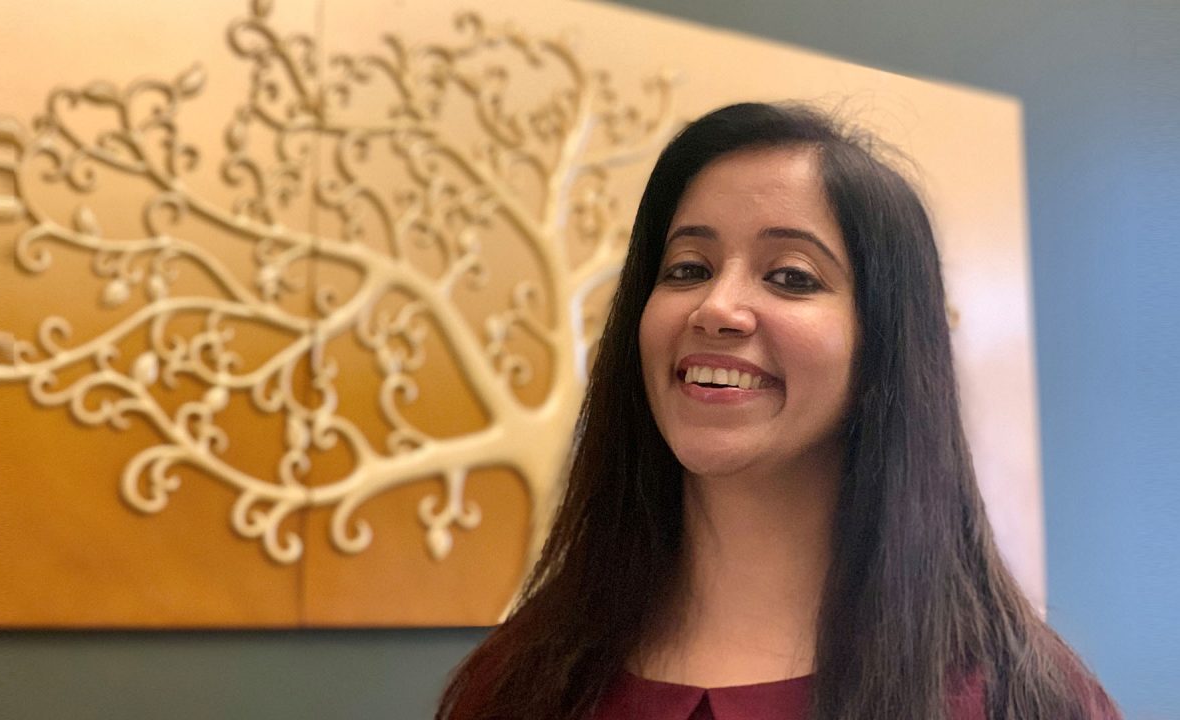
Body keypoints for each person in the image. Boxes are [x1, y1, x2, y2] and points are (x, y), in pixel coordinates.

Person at [438, 102, 1119, 720]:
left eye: (790, 276)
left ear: (884, 346)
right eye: (688, 269)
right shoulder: (513, 684)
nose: (716, 308)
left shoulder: (1020, 700)